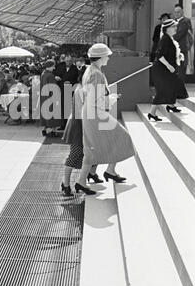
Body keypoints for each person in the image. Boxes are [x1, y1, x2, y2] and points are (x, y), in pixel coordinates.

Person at [75, 43, 135, 194]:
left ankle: (87, 179)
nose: (109, 57)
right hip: (95, 113)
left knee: (92, 148)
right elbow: (96, 99)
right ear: (101, 57)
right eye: (107, 55)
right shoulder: (97, 74)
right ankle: (108, 171)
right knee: (122, 137)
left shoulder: (91, 70)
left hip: (91, 113)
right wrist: (112, 98)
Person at [62, 67, 102, 196]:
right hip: (79, 126)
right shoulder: (81, 90)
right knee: (75, 154)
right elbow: (84, 112)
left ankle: (85, 178)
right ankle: (65, 184)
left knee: (87, 154)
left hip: (83, 125)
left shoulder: (85, 89)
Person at [148, 19, 189, 121]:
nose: (176, 28)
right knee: (162, 91)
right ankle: (151, 113)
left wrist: (178, 56)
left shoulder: (169, 38)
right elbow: (160, 55)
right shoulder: (165, 39)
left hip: (165, 69)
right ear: (168, 29)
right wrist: (169, 66)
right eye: (174, 27)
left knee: (174, 85)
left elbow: (168, 53)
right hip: (161, 70)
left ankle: (171, 105)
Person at [40, 59, 61, 137]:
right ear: (49, 66)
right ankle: (52, 131)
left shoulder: (43, 74)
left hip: (44, 97)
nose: (54, 68)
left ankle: (44, 129)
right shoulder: (51, 75)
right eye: (53, 66)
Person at [173, 4, 193, 81]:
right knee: (176, 70)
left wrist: (170, 38)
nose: (176, 14)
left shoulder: (186, 21)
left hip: (182, 49)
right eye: (175, 12)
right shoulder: (174, 21)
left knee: (181, 70)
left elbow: (180, 34)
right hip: (174, 49)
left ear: (182, 12)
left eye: (178, 12)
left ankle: (180, 89)